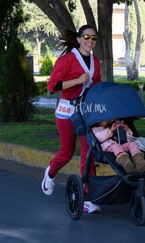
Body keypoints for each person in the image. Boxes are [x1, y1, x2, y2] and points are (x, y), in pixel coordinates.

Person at [41, 24, 102, 214]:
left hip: (86, 112)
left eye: (94, 38)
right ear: (78, 38)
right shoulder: (66, 60)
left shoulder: (96, 61)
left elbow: (96, 86)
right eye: (86, 37)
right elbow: (52, 86)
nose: (90, 41)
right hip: (67, 111)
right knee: (67, 153)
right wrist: (77, 80)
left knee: (88, 152)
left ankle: (88, 196)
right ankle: (50, 173)